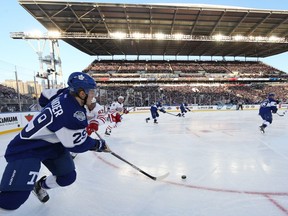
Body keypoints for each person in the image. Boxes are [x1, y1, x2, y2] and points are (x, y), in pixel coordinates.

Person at [0, 72, 109, 211]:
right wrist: (98, 145)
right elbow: (76, 145)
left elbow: (44, 96)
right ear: (82, 93)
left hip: (52, 145)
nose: (94, 96)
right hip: (28, 148)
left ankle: (39, 186)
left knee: (67, 177)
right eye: (92, 92)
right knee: (12, 200)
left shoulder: (64, 92)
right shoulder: (74, 115)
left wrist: (52, 113)